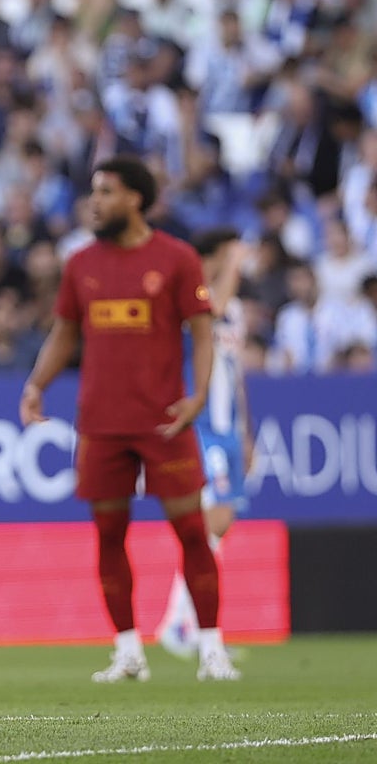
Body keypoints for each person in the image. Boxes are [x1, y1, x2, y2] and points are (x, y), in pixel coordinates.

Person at [19, 155, 240, 683]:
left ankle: (211, 650)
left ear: (135, 199)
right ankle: (128, 652)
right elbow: (64, 334)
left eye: (106, 192)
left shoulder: (177, 258)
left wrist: (199, 397)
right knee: (108, 534)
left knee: (190, 531)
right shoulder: (80, 263)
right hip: (100, 423)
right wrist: (35, 385)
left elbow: (203, 331)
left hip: (164, 421)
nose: (95, 202)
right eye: (94, 192)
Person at [156, 227, 253, 658]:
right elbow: (211, 307)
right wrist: (233, 262)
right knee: (211, 521)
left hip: (229, 427)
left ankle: (188, 623)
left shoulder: (237, 312)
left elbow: (236, 374)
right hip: (203, 428)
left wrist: (246, 431)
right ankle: (179, 624)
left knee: (222, 521)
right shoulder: (193, 302)